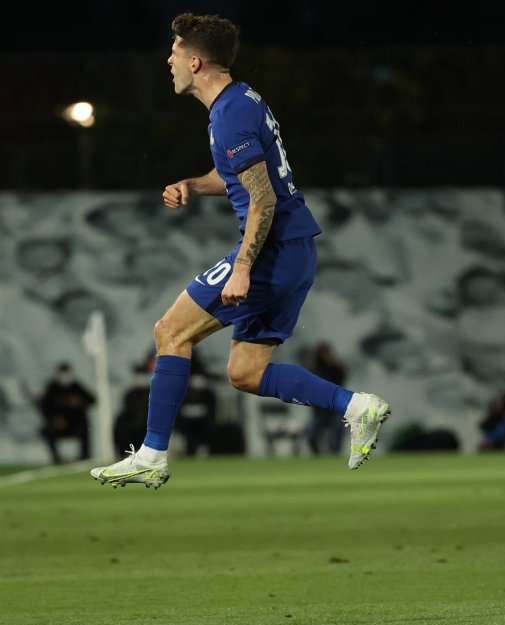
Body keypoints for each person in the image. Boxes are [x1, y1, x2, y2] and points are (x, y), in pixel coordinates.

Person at [90, 13, 389, 489]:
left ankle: (152, 455)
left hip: (271, 252)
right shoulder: (239, 102)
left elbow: (263, 197)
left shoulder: (230, 115)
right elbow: (239, 175)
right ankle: (357, 407)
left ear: (195, 60)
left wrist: (243, 268)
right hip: (294, 252)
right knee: (246, 373)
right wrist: (191, 183)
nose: (168, 60)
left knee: (170, 332)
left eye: (174, 51)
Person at [39, 362, 95, 463]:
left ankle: (85, 456)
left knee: (84, 428)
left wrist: (81, 401)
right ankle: (56, 458)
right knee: (47, 431)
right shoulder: (53, 387)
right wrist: (54, 419)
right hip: (58, 424)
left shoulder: (76, 386)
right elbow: (44, 406)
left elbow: (93, 399)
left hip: (75, 424)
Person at [303, 343, 349, 455]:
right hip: (319, 410)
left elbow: (341, 381)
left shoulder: (334, 368)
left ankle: (334, 455)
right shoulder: (314, 369)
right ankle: (317, 455)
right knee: (312, 436)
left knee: (337, 431)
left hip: (334, 409)